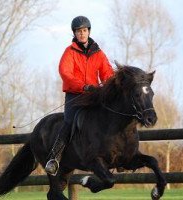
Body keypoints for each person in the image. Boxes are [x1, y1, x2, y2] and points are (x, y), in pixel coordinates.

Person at [45, 16, 114, 176]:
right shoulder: (69, 52)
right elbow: (65, 73)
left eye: (84, 30)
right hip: (75, 95)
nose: (82, 34)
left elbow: (107, 73)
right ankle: (54, 159)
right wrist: (83, 86)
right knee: (69, 122)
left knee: (107, 117)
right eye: (78, 31)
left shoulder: (99, 53)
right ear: (74, 34)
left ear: (89, 31)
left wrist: (113, 84)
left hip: (93, 96)